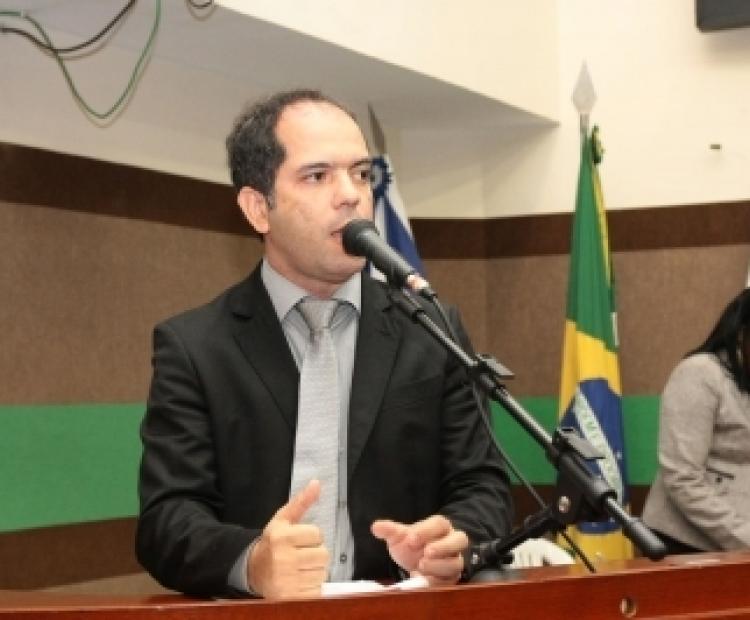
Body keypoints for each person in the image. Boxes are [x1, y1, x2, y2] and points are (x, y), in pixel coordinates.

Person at [135, 89, 513, 599]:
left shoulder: (431, 329)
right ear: (258, 208)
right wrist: (252, 562)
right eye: (317, 176)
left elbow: (483, 487)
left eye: (361, 174)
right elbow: (167, 522)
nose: (351, 195)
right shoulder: (195, 347)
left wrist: (453, 541)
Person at [642, 288, 750, 554]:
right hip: (683, 544)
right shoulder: (700, 373)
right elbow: (683, 478)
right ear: (742, 333)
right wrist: (744, 537)